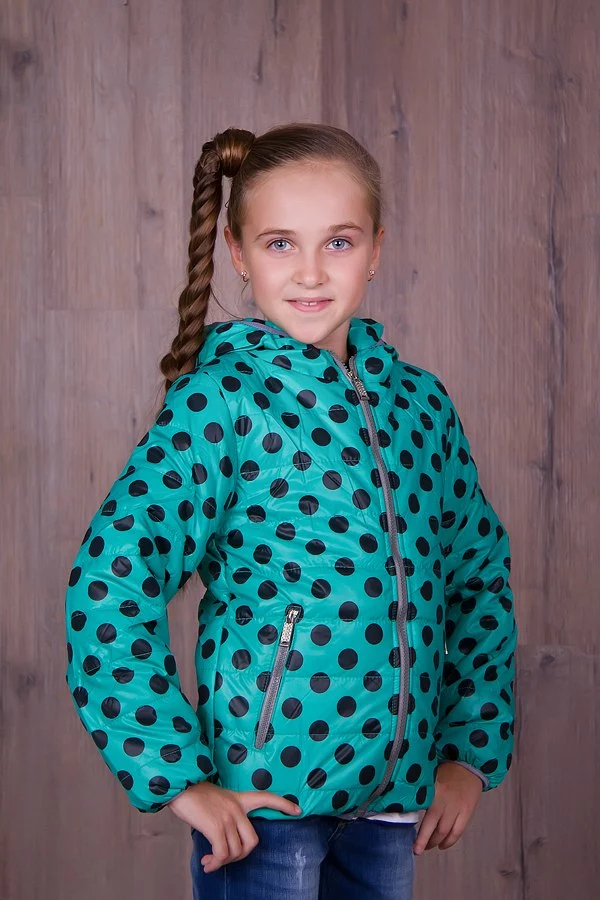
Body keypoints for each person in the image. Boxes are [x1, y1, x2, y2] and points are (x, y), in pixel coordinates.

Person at [65, 123, 517, 899]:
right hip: (266, 805)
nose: (310, 271)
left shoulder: (420, 406)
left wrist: (468, 754)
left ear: (375, 249)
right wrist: (177, 777)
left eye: (338, 242)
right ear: (239, 253)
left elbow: (477, 579)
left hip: (393, 804)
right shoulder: (221, 404)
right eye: (281, 244)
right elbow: (110, 583)